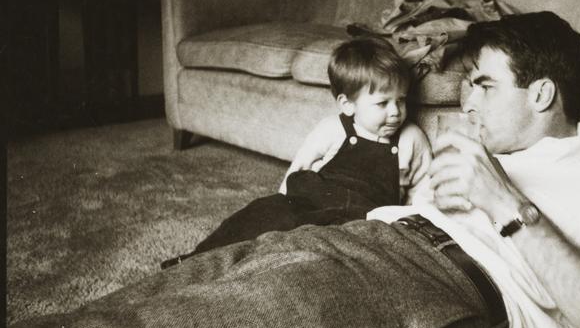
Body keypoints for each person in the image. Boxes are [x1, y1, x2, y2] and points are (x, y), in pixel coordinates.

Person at [8, 11, 580, 328]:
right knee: (130, 310)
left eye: (483, 84)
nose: (465, 100)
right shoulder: (484, 156)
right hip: (350, 240)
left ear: (542, 93)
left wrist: (510, 206)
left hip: (425, 291)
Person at [162, 36, 432, 266]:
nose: (396, 112)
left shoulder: (411, 139)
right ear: (347, 105)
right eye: (382, 103)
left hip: (364, 217)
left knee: (312, 256)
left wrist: (410, 227)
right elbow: (300, 166)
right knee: (263, 212)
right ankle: (196, 259)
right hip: (315, 200)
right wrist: (283, 200)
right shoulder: (333, 128)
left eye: (401, 100)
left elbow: (424, 191)